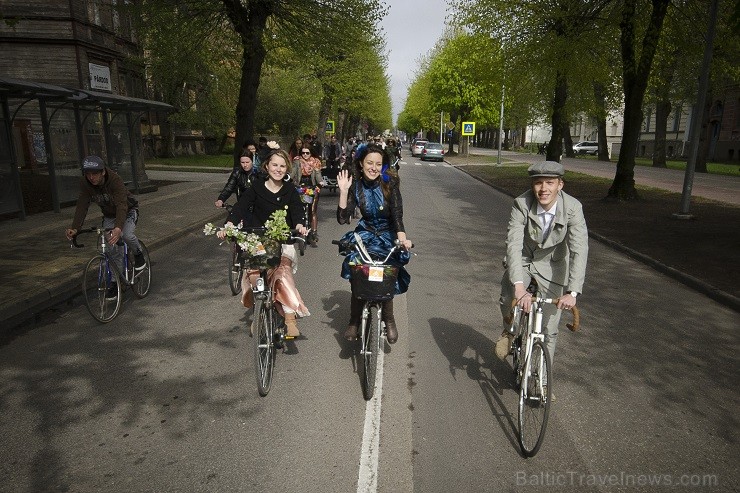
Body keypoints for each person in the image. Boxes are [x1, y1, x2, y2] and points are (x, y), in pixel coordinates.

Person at [494, 161, 588, 374]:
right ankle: (509, 331)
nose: (544, 189)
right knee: (509, 296)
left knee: (549, 328)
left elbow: (579, 250)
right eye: (538, 183)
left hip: (553, 266)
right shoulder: (521, 204)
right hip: (524, 260)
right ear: (532, 186)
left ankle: (543, 380)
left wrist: (572, 292)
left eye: (549, 183)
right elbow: (514, 244)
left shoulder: (573, 208)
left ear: (560, 185)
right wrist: (519, 286)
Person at [219, 147, 309, 338]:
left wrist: (300, 225)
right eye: (274, 165)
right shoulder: (257, 188)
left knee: (282, 272)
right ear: (267, 166)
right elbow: (241, 207)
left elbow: (297, 210)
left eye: (282, 166)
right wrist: (229, 224)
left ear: (287, 168)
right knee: (254, 275)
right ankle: (258, 312)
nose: (278, 169)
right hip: (258, 239)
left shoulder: (290, 189)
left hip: (283, 240)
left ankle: (290, 318)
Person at [336, 143, 413, 344]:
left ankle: (389, 318)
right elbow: (343, 218)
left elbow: (397, 214)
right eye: (369, 163)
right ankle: (354, 320)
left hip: (388, 234)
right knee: (358, 270)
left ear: (383, 166)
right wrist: (343, 192)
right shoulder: (356, 185)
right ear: (361, 164)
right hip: (366, 233)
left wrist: (402, 238)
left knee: (386, 272)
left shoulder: (390, 183)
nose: (374, 167)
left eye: (378, 164)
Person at [65, 156, 144, 298]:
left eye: (94, 174)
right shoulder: (86, 183)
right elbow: (82, 204)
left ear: (102, 172)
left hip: (128, 211)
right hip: (109, 215)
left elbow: (121, 205)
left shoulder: (115, 180)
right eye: (88, 174)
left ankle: (138, 253)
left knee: (126, 235)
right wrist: (75, 228)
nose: (91, 177)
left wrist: (118, 228)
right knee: (112, 249)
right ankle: (115, 283)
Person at [292, 145, 323, 245]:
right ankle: (298, 229)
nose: (305, 155)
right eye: (303, 153)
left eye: (307, 153)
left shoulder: (316, 162)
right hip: (299, 186)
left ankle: (313, 233)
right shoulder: (297, 161)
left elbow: (318, 175)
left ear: (311, 153)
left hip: (312, 186)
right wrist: (288, 178)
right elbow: (292, 173)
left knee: (312, 210)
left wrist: (320, 182)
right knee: (298, 209)